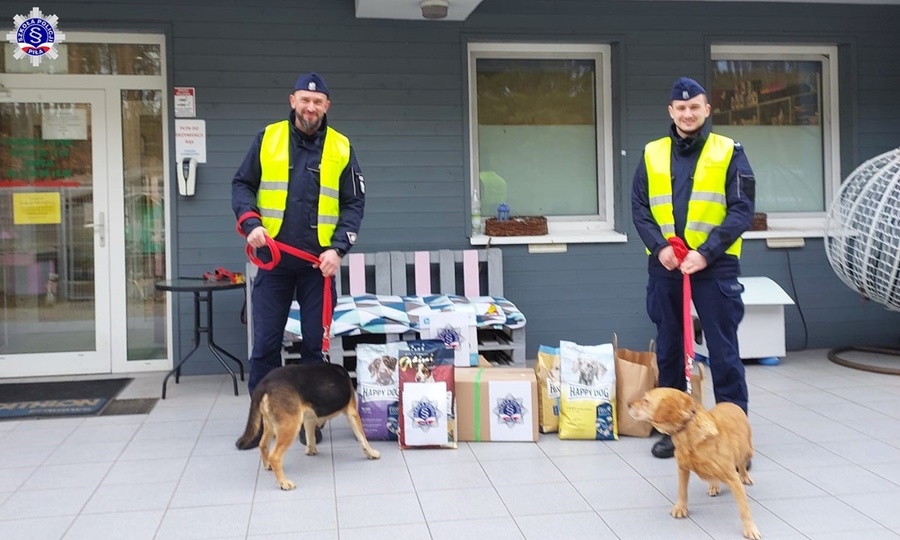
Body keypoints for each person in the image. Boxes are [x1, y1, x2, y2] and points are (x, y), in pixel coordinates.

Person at [232, 72, 365, 442]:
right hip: (274, 263)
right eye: (304, 100)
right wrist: (251, 223)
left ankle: (309, 426)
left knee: (314, 349)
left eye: (318, 101)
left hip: (316, 270)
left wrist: (338, 249)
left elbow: (354, 203)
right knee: (265, 346)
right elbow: (242, 184)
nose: (311, 107)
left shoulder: (341, 146)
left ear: (326, 106)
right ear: (293, 101)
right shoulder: (268, 137)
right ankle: (261, 425)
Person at [631, 77, 755, 459]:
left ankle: (737, 439)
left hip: (714, 266)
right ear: (671, 111)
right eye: (680, 108)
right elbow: (639, 208)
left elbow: (742, 210)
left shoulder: (729, 151)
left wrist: (706, 252)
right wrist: (659, 247)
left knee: (723, 352)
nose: (687, 113)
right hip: (666, 264)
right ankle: (674, 431)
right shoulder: (652, 153)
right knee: (670, 349)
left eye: (694, 107)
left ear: (706, 110)